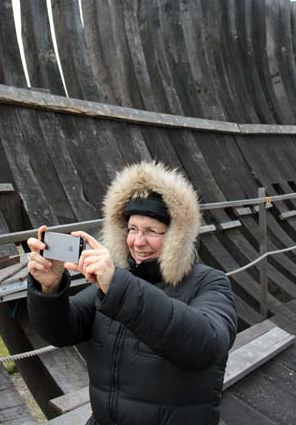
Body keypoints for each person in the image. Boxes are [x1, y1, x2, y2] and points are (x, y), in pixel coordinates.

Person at [27, 161, 237, 425]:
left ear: (176, 236)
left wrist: (117, 286)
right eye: (133, 229)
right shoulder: (117, 282)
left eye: (152, 231)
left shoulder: (209, 282)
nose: (138, 242)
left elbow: (208, 345)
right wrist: (49, 288)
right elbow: (61, 330)